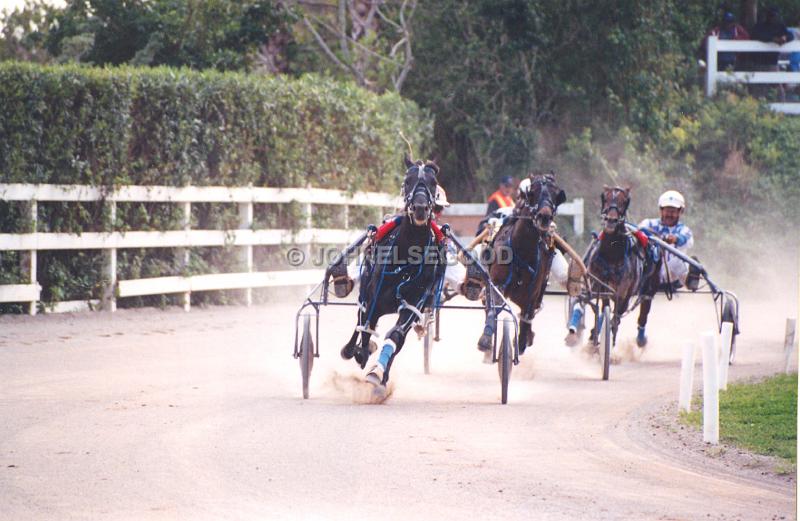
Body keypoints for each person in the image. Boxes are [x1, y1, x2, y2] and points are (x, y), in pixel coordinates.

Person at [750, 7, 794, 99]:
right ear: (767, 16)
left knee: (777, 87)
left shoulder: (780, 26)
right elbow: (756, 35)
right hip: (759, 61)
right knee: (759, 87)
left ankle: (782, 107)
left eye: (774, 16)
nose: (772, 18)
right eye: (771, 16)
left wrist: (785, 38)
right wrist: (772, 39)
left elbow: (791, 35)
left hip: (772, 62)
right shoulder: (760, 26)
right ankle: (757, 107)